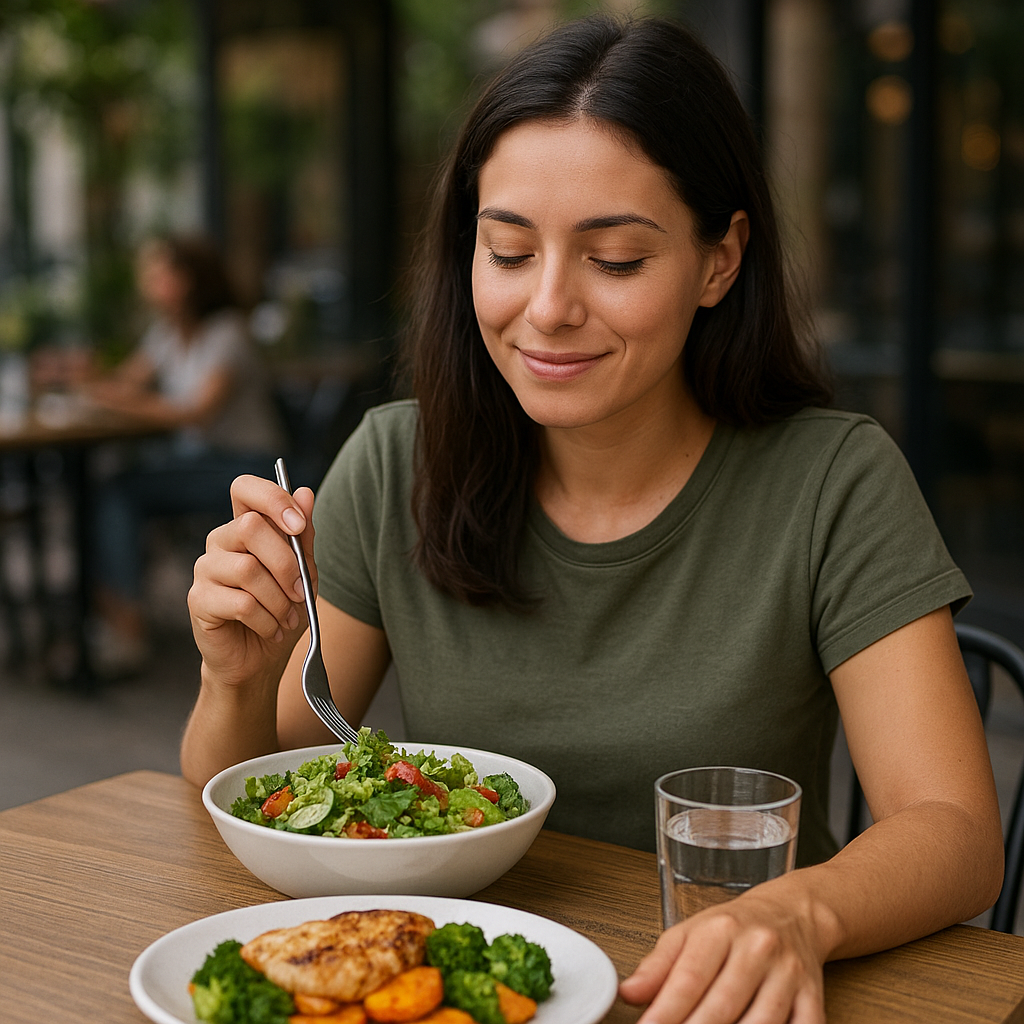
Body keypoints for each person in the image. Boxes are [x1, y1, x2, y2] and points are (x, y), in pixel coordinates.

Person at [181, 16, 1003, 1024]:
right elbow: (261, 795)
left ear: (719, 260)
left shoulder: (830, 478)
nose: (548, 307)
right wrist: (237, 674)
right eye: (508, 251)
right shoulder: (396, 459)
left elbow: (956, 831)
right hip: (462, 990)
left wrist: (799, 913)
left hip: (718, 995)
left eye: (614, 260)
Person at [88, 234, 284, 674]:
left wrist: (115, 399)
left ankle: (126, 628)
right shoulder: (167, 332)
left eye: (160, 272)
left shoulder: (227, 332)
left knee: (121, 492)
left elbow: (197, 411)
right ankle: (115, 614)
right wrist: (84, 377)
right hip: (198, 463)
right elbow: (127, 383)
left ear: (190, 280)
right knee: (114, 485)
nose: (148, 281)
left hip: (244, 467)